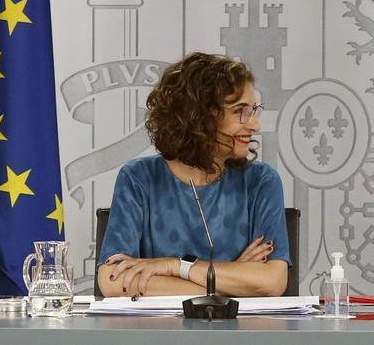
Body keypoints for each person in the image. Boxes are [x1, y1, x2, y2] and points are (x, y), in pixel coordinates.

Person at [97, 52, 290, 298]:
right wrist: (230, 283)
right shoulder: (139, 178)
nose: (255, 125)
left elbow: (272, 281)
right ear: (198, 117)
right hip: (156, 335)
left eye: (254, 110)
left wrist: (176, 266)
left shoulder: (261, 182)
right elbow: (114, 281)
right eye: (240, 112)